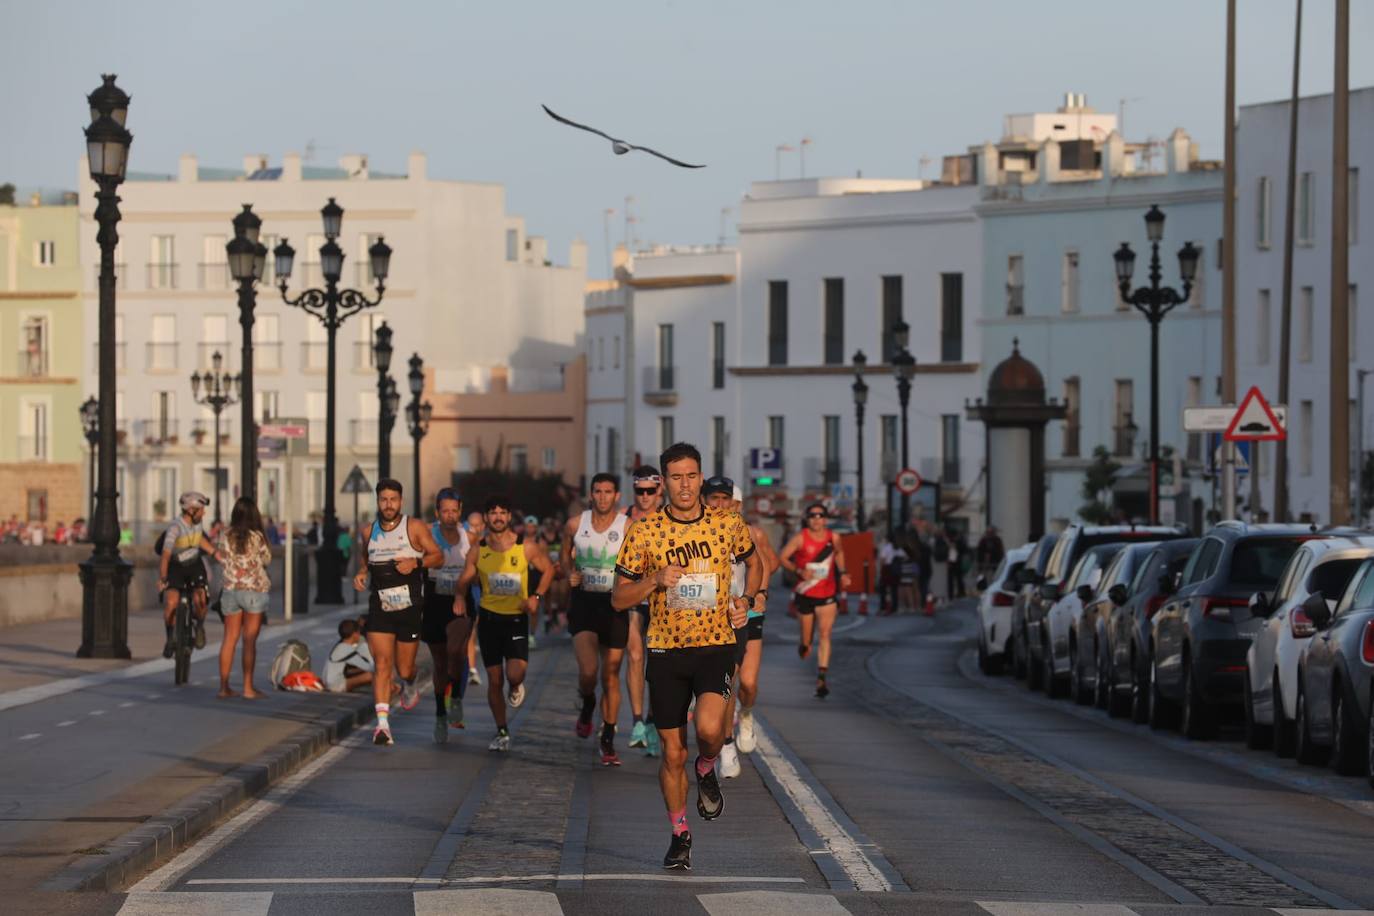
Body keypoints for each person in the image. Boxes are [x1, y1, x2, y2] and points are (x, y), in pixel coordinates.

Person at [611, 442, 761, 871]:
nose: (684, 485)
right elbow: (619, 599)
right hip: (665, 650)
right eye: (675, 477)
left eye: (691, 476)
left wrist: (746, 599)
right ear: (663, 482)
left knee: (711, 730)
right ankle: (679, 834)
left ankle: (708, 763)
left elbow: (757, 562)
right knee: (670, 754)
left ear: (700, 477)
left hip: (715, 645)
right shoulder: (644, 532)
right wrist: (654, 579)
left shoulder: (726, 523)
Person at [455, 494, 555, 752]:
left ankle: (517, 685)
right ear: (487, 517)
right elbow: (465, 577)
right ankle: (502, 730)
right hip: (489, 620)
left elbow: (549, 570)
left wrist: (536, 597)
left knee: (515, 673)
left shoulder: (526, 546)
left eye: (502, 512)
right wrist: (458, 596)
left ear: (509, 517)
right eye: (493, 513)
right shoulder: (479, 549)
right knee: (494, 679)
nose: (497, 517)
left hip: (516, 619)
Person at [351, 478, 444, 746]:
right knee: (381, 664)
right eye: (383, 499)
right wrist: (361, 572)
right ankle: (382, 725)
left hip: (410, 608)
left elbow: (438, 556)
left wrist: (416, 562)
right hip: (380, 606)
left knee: (404, 669)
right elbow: (365, 558)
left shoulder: (413, 527)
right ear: (378, 501)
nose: (388, 504)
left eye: (393, 499)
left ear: (400, 501)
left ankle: (410, 682)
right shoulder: (368, 531)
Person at [702, 477, 779, 778]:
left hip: (745, 611)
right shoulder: (697, 530)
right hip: (706, 615)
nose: (723, 506)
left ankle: (744, 715)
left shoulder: (750, 532)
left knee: (745, 683)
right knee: (726, 681)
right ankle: (724, 740)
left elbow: (766, 565)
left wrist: (759, 594)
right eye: (717, 499)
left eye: (729, 501)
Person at [563, 473, 630, 765]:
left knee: (611, 675)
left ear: (617, 496)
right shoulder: (576, 524)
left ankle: (608, 737)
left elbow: (639, 560)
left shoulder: (628, 527)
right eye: (597, 492)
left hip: (615, 605)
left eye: (608, 492)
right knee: (590, 672)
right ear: (591, 495)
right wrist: (569, 572)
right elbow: (564, 555)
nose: (602, 497)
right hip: (584, 604)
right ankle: (588, 701)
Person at [779, 502, 851, 699]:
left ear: (826, 519)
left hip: (827, 594)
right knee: (806, 642)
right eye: (812, 516)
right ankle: (804, 642)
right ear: (807, 519)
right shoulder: (800, 538)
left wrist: (843, 573)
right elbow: (783, 558)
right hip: (805, 593)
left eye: (820, 516)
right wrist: (799, 570)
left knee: (826, 634)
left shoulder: (833, 537)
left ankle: (821, 678)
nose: (816, 519)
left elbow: (840, 553)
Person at [422, 488, 475, 744]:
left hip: (462, 602)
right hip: (434, 601)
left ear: (460, 511)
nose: (450, 515)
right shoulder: (427, 537)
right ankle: (441, 713)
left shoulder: (471, 538)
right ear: (437, 513)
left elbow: (482, 568)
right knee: (440, 661)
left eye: (454, 510)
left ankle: (455, 697)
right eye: (445, 511)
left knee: (456, 651)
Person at [623, 465, 663, 757]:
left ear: (659, 490)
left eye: (651, 491)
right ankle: (637, 721)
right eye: (640, 491)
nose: (645, 496)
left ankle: (652, 718)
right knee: (635, 655)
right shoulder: (623, 519)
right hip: (635, 597)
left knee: (657, 666)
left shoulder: (668, 518)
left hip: (663, 599)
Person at [213, 497, 271, 699]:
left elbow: (220, 557)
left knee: (229, 639)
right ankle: (248, 687)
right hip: (254, 590)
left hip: (230, 590)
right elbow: (266, 559)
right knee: (249, 641)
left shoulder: (224, 535)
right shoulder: (257, 537)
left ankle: (224, 686)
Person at [159, 492, 217, 659]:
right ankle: (170, 638)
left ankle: (199, 627)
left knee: (201, 599)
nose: (204, 513)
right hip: (175, 567)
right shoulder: (175, 528)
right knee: (171, 603)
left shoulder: (197, 524)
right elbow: (165, 555)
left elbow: (200, 541)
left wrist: (216, 554)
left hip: (194, 565)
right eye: (201, 509)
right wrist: (163, 578)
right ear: (191, 510)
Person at [463, 510, 487, 686]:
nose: (476, 528)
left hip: (478, 590)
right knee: (465, 631)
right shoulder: (462, 538)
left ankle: (471, 668)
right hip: (463, 590)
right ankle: (469, 668)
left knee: (472, 631)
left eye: (479, 525)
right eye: (473, 525)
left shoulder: (488, 541)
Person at [324, 618, 376, 693]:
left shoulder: (340, 646)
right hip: (335, 686)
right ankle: (386, 691)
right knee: (372, 675)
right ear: (355, 634)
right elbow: (370, 667)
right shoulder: (346, 649)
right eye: (359, 633)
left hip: (330, 683)